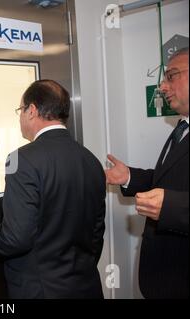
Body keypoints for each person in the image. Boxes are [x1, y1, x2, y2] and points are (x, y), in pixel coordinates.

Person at [0, 80, 106, 299]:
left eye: (20, 110)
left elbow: (17, 238)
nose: (20, 117)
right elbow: (96, 235)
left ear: (31, 110)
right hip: (85, 287)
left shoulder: (22, 160)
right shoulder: (91, 161)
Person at [105, 48, 189, 299]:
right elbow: (169, 181)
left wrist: (171, 206)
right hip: (166, 275)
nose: (163, 87)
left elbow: (172, 198)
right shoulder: (182, 127)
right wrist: (129, 177)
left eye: (171, 76)